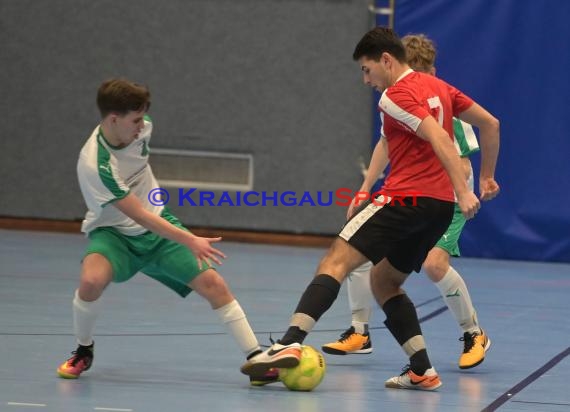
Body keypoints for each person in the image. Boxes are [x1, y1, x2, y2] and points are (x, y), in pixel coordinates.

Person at [240, 27, 500, 391]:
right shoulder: (440, 89)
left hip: (406, 199)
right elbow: (491, 124)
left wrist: (465, 189)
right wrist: (486, 177)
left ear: (387, 60)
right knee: (384, 281)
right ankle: (422, 369)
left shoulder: (395, 95)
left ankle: (289, 342)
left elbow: (440, 138)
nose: (366, 80)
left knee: (335, 261)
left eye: (366, 70)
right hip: (438, 208)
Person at [57, 78, 276, 386]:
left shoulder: (143, 127)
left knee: (213, 283)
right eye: (134, 120)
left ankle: (256, 359)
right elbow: (138, 216)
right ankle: (83, 349)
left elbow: (149, 213)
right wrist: (190, 239)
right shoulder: (96, 165)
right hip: (114, 234)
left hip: (158, 226)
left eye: (142, 118)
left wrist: (178, 234)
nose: (140, 126)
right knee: (91, 281)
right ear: (113, 119)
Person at [322, 34, 491, 371]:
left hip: (448, 201)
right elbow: (385, 144)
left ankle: (473, 333)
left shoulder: (448, 108)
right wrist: (367, 185)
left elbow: (466, 156)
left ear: (432, 72)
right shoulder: (397, 101)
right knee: (362, 250)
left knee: (434, 265)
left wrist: (473, 184)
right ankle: (359, 331)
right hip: (409, 199)